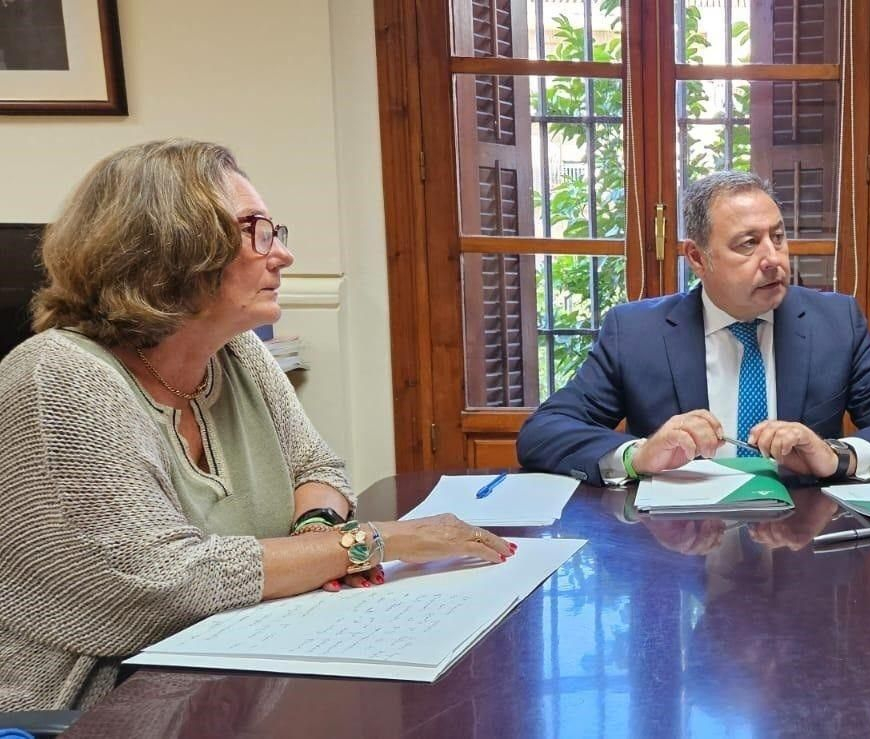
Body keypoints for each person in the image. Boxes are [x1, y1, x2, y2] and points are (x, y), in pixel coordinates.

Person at [0, 140, 516, 711]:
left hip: (234, 666)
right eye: (256, 232)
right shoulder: (60, 378)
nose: (283, 255)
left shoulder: (237, 350)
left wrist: (318, 531)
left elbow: (316, 469)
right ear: (170, 247)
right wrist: (367, 543)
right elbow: (160, 583)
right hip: (85, 701)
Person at [518, 171, 870, 484]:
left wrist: (837, 456)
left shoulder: (835, 322)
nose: (773, 258)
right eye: (748, 243)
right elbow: (544, 432)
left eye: (778, 237)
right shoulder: (636, 332)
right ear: (697, 258)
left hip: (802, 543)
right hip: (678, 544)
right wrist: (637, 456)